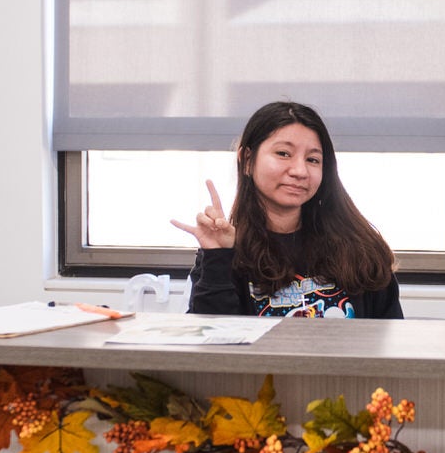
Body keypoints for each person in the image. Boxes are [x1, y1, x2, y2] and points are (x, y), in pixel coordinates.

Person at [171, 101, 403, 319]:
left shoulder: (361, 249)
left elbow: (392, 337)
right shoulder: (225, 250)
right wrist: (217, 257)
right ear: (247, 160)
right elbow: (213, 338)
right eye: (283, 154)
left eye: (313, 159)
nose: (300, 171)